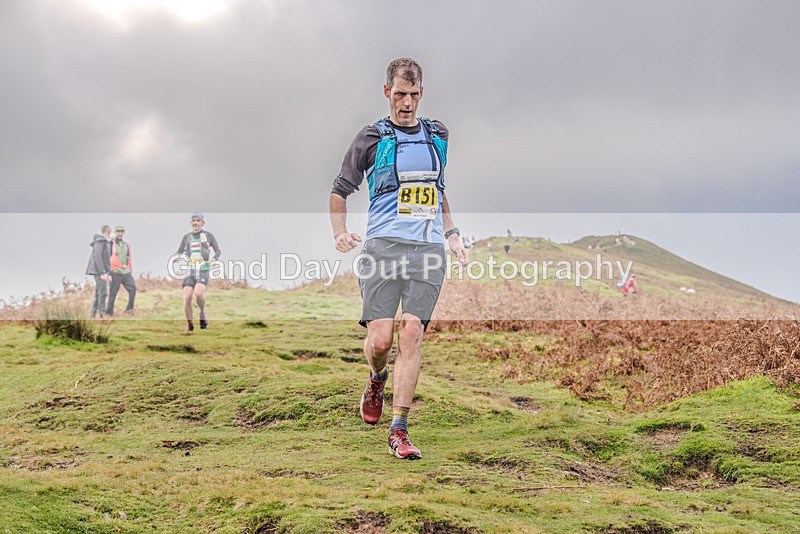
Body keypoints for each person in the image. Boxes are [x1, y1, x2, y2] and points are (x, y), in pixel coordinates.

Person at [330, 58, 468, 460]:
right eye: (400, 94)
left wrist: (453, 234)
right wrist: (340, 233)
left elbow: (437, 189)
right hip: (382, 248)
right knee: (381, 340)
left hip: (427, 250)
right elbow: (340, 189)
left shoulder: (437, 135)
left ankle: (399, 429)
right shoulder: (372, 137)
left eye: (414, 94)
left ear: (421, 92)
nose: (407, 102)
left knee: (410, 334)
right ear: (387, 91)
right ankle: (376, 378)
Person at [174, 213, 221, 332]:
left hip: (203, 269)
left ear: (202, 223)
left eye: (198, 221)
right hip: (190, 270)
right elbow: (180, 251)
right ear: (191, 223)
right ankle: (189, 326)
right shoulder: (187, 237)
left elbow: (218, 251)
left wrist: (214, 259)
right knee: (187, 297)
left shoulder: (208, 236)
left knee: (199, 293)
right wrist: (177, 257)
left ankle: (202, 313)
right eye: (193, 220)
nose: (195, 223)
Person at [106, 225, 136, 316]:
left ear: (123, 233)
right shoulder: (111, 244)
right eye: (118, 231)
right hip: (115, 272)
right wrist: (108, 273)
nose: (120, 233)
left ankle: (129, 310)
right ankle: (109, 313)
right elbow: (106, 258)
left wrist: (130, 269)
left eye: (121, 231)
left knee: (133, 289)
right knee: (113, 293)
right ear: (115, 232)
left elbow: (128, 257)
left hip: (126, 272)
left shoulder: (126, 244)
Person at [85, 225, 111, 318]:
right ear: (107, 231)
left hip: (101, 271)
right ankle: (102, 313)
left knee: (98, 292)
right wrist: (102, 272)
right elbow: (98, 257)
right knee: (103, 292)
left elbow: (105, 258)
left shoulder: (103, 242)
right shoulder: (100, 241)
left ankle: (92, 314)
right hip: (99, 272)